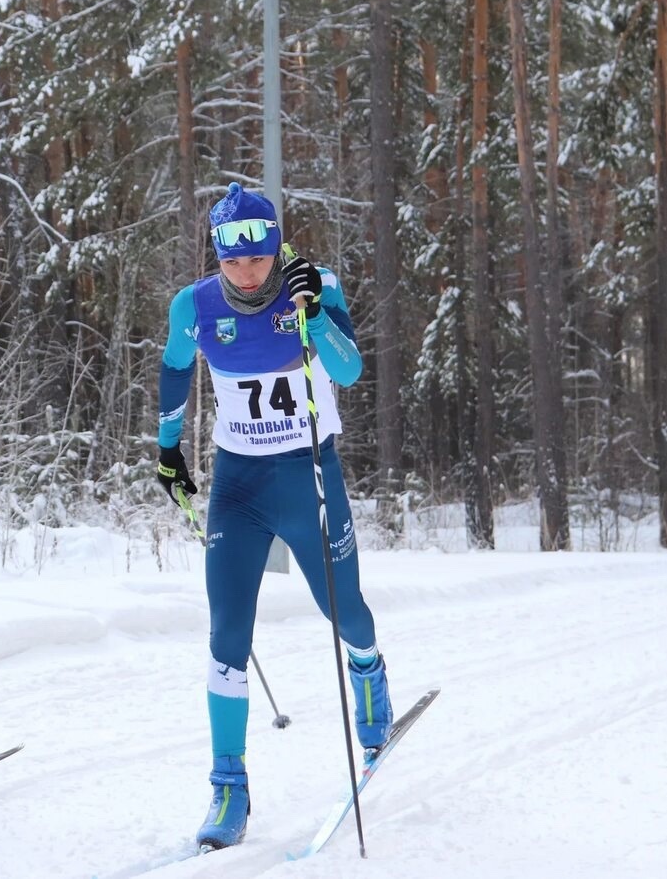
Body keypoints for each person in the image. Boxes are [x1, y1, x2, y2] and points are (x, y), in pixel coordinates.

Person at [155, 184, 393, 850]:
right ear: (219, 253)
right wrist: (167, 447)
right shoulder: (194, 307)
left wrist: (316, 319)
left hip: (308, 472)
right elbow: (175, 371)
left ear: (274, 246)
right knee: (227, 629)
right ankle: (228, 784)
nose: (247, 270)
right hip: (240, 484)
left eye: (258, 256)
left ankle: (370, 673)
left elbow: (348, 371)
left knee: (342, 608)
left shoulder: (315, 284)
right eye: (233, 258)